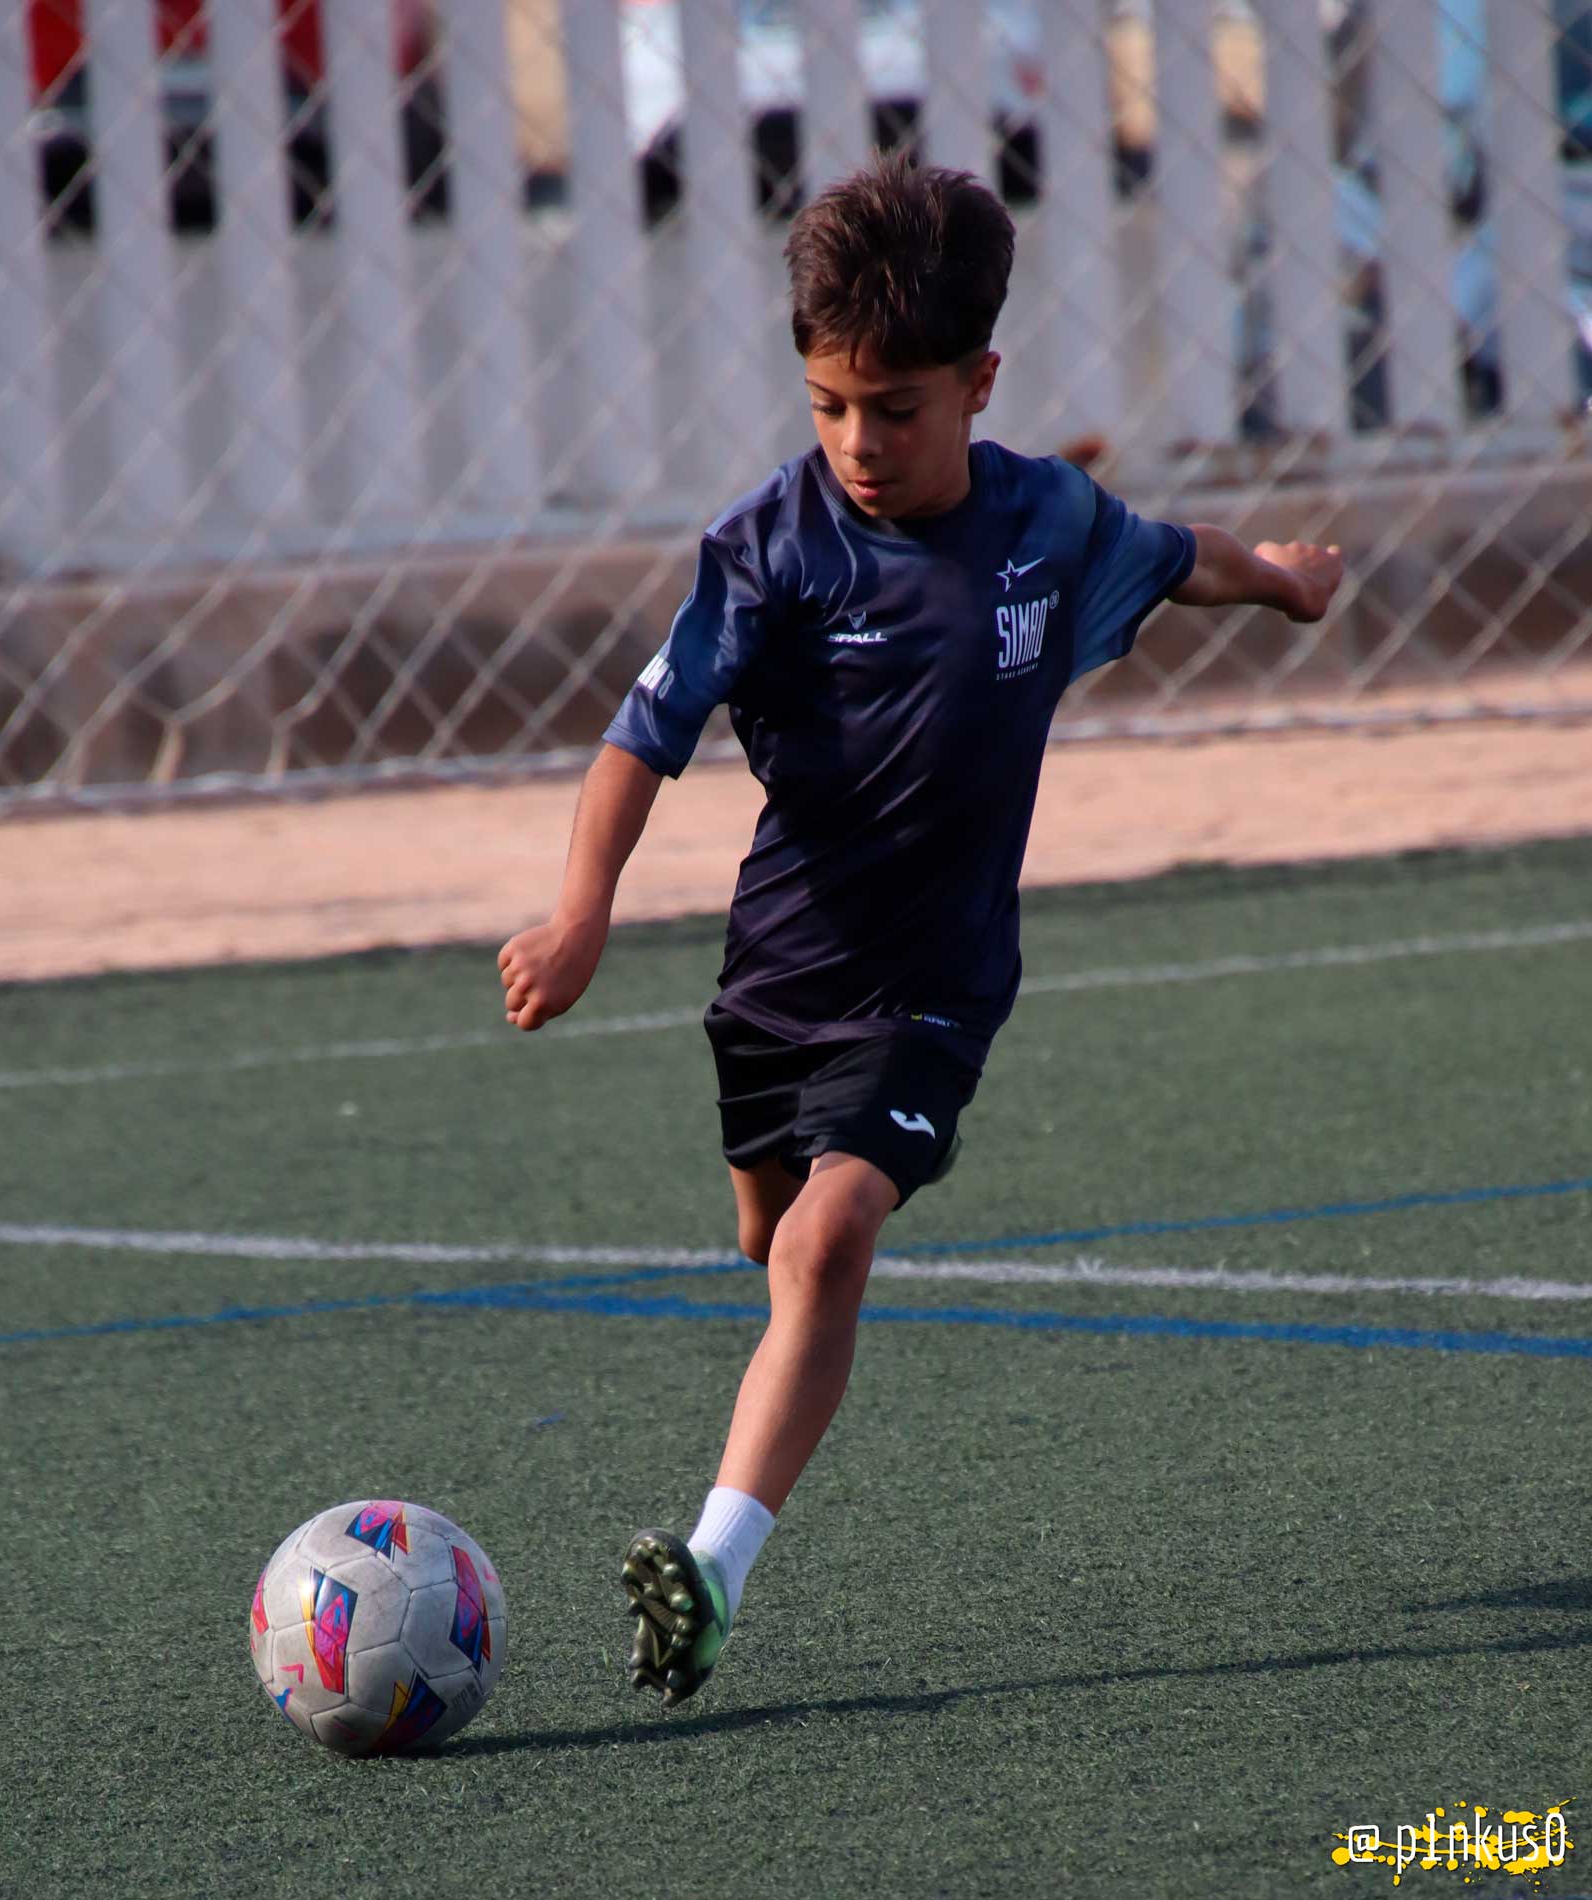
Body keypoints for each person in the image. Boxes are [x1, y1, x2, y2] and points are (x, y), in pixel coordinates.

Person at [497, 153, 1344, 1709]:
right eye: (826, 405)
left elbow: (1175, 557)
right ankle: (784, 1273)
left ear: (977, 383)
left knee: (825, 1239)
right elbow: (640, 737)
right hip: (776, 977)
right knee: (766, 1236)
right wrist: (580, 912)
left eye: (892, 408)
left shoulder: (1043, 519)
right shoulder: (771, 550)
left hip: (935, 981)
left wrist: (1283, 585)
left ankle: (712, 1571)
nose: (856, 443)